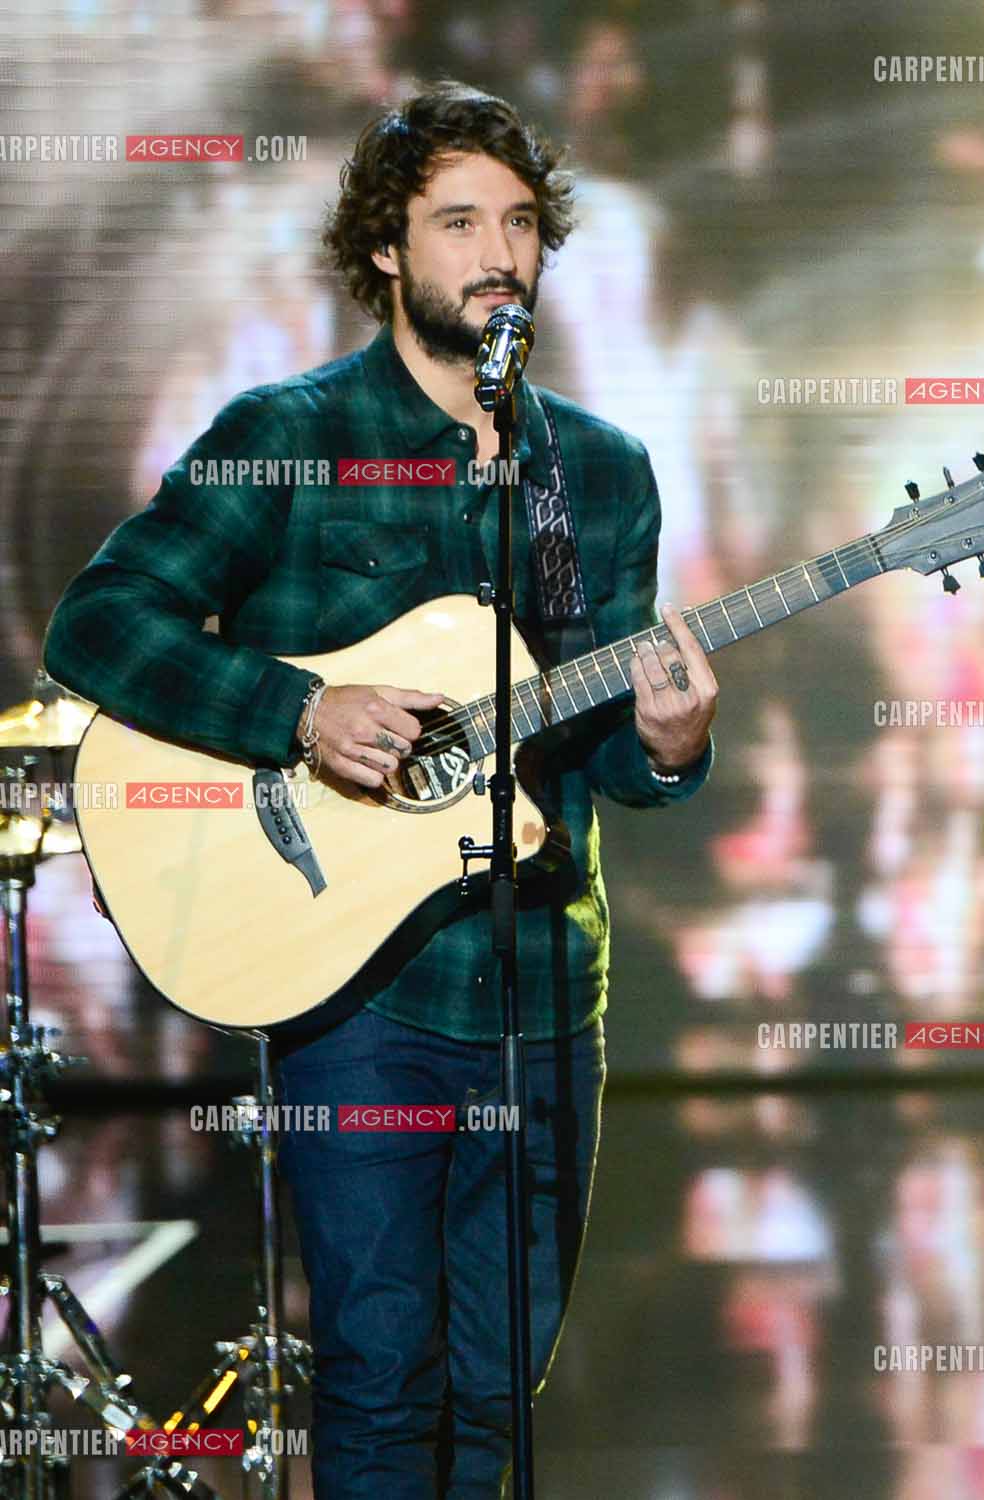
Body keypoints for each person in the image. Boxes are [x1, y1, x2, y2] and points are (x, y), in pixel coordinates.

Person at [43, 81, 718, 1500]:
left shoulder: (595, 473)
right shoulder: (287, 433)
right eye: (458, 222)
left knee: (499, 1387)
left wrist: (662, 745)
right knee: (381, 1372)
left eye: (520, 223)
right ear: (386, 250)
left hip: (544, 983)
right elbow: (98, 626)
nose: (498, 252)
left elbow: (597, 748)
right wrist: (300, 713)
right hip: (360, 1001)